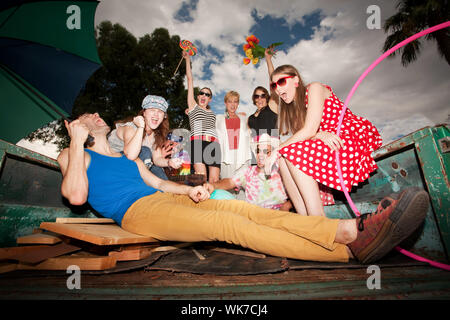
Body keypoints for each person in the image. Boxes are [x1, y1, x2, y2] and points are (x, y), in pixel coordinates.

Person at [57, 112, 429, 264]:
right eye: (89, 116)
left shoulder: (129, 159)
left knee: (249, 211)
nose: (97, 117)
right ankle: (347, 254)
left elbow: (158, 182)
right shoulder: (74, 155)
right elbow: (75, 196)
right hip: (137, 214)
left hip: (162, 199)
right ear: (80, 127)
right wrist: (74, 140)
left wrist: (190, 190)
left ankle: (347, 230)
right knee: (228, 229)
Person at [265, 64, 383, 217]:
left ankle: (317, 218)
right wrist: (318, 134)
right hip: (327, 140)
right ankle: (305, 219)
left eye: (281, 82)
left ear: (296, 80)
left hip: (348, 134)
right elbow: (309, 133)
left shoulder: (314, 88)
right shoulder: (295, 109)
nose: (278, 89)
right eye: (274, 85)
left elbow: (308, 130)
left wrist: (277, 149)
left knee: (289, 152)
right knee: (283, 158)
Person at [209, 133, 291, 211]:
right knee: (218, 194)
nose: (261, 155)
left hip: (278, 215)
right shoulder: (247, 172)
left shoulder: (280, 170)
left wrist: (287, 205)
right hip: (253, 215)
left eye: (266, 152)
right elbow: (230, 182)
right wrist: (212, 186)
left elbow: (299, 192)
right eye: (258, 151)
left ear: (272, 154)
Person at [108, 95, 182, 180]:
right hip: (113, 166)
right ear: (144, 113)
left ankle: (164, 188)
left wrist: (169, 162)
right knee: (145, 151)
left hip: (137, 166)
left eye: (160, 111)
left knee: (155, 167)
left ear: (164, 116)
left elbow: (157, 159)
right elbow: (131, 155)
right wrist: (141, 127)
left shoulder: (156, 135)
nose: (156, 115)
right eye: (152, 110)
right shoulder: (130, 128)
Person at [183, 50, 221, 183]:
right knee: (201, 178)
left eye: (208, 94)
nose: (204, 95)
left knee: (214, 180)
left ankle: (213, 204)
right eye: (202, 93)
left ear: (210, 99)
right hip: (197, 142)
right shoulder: (193, 106)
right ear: (198, 96)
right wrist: (187, 59)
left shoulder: (213, 113)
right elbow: (189, 79)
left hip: (214, 144)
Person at [215, 91, 252, 185]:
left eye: (235, 101)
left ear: (238, 104)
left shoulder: (243, 118)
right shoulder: (219, 118)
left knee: (244, 185)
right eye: (230, 101)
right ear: (225, 103)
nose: (232, 104)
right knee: (227, 185)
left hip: (242, 156)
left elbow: (249, 134)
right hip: (226, 156)